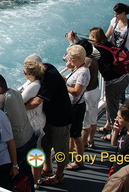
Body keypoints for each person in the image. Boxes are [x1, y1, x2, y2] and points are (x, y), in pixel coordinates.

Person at [26, 59, 72, 187]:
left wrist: (19, 108)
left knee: (60, 149)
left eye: (26, 73)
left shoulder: (48, 78)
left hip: (61, 120)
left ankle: (59, 176)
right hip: (48, 118)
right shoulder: (48, 67)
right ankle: (48, 169)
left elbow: (36, 102)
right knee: (45, 146)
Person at [0, 74, 35, 186]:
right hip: (30, 137)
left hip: (19, 144)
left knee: (13, 179)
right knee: (27, 173)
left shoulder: (1, 99)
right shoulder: (15, 91)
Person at [91, 27, 129, 139]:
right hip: (123, 78)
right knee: (112, 104)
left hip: (114, 82)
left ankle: (114, 132)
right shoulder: (107, 44)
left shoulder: (97, 51)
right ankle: (109, 125)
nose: (90, 39)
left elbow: (84, 52)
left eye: (91, 37)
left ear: (95, 38)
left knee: (113, 108)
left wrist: (72, 42)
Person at [20, 56, 47, 185]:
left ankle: (36, 180)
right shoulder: (31, 83)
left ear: (29, 72)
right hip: (35, 121)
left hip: (35, 123)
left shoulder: (34, 85)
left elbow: (20, 101)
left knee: (36, 153)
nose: (23, 72)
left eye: (24, 70)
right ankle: (36, 178)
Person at [64, 44, 90, 170]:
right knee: (72, 133)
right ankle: (70, 154)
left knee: (76, 134)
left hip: (76, 107)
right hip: (73, 106)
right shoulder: (77, 68)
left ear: (79, 58)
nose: (70, 60)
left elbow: (76, 91)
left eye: (72, 58)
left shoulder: (83, 72)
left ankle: (79, 161)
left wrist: (63, 86)